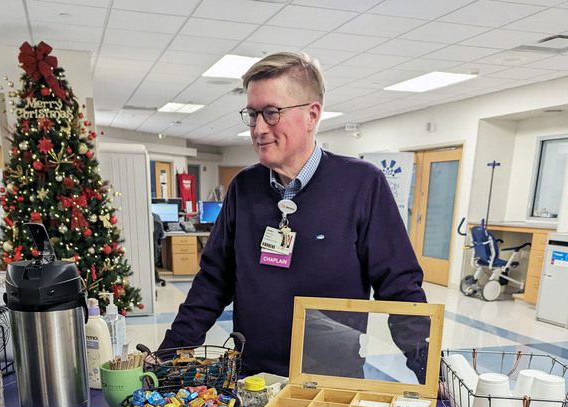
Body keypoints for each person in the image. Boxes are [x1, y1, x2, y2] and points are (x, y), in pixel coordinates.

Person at [159, 52, 428, 378]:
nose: (258, 128)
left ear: (312, 115)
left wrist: (428, 367)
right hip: (252, 377)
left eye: (271, 113)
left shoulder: (362, 184)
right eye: (253, 114)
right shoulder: (244, 187)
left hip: (330, 379)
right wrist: (169, 353)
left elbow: (399, 288)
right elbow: (213, 282)